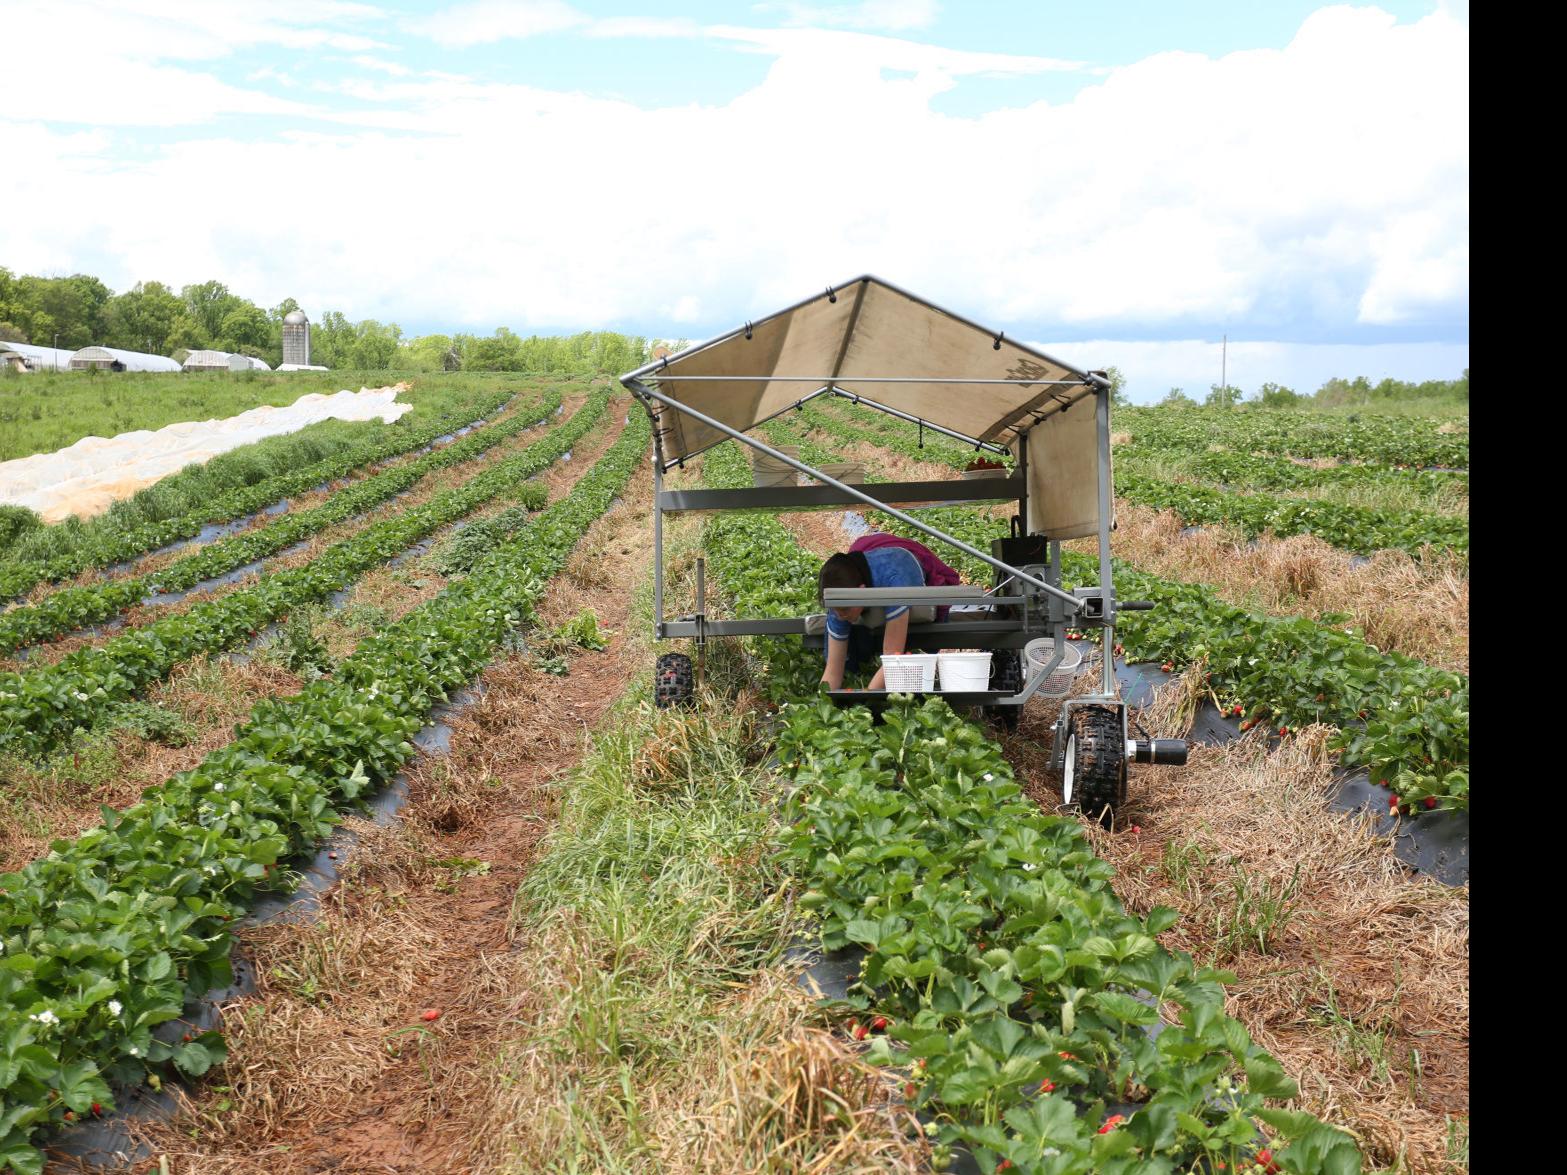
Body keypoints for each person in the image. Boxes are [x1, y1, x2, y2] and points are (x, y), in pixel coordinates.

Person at [816, 533, 961, 691]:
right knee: (850, 650)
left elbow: (892, 658)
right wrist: (821, 703)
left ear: (862, 591)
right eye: (834, 611)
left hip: (900, 563)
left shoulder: (896, 580)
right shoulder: (838, 596)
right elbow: (833, 671)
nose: (840, 616)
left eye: (844, 611)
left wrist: (863, 703)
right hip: (870, 555)